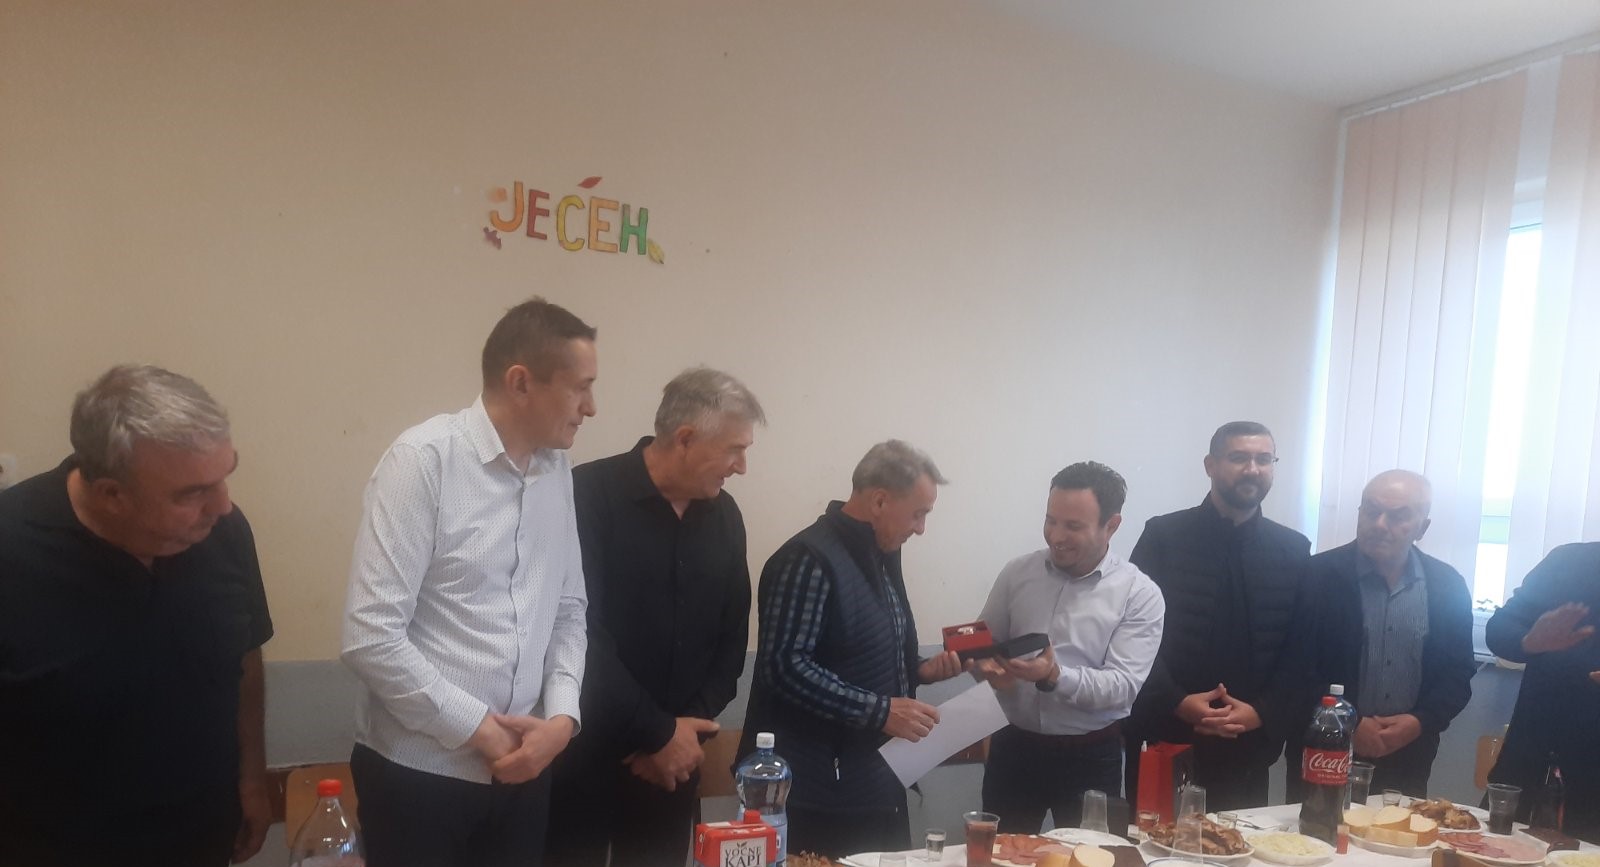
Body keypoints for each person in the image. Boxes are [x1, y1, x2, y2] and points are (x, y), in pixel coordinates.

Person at [342, 297, 596, 867]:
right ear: (520, 383)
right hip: (420, 775)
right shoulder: (423, 461)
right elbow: (369, 636)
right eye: (580, 388)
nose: (591, 407)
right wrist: (479, 729)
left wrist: (561, 719)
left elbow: (568, 610)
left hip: (526, 770)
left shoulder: (556, 472)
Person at [0, 364, 273, 867]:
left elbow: (244, 656)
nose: (223, 505)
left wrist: (252, 779)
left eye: (225, 476)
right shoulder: (12, 552)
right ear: (112, 495)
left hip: (202, 837)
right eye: (192, 492)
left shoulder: (224, 532)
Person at [545, 367, 765, 867]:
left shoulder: (726, 516)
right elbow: (578, 632)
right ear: (685, 439)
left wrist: (681, 737)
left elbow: (731, 641)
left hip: (673, 767)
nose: (742, 467)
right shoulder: (586, 495)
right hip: (581, 756)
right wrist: (656, 733)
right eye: (734, 450)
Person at [740, 440, 965, 858]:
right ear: (879, 501)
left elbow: (857, 654)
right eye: (918, 514)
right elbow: (784, 666)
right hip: (818, 792)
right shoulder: (808, 558)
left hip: (875, 780)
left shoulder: (880, 554)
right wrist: (881, 712)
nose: (921, 529)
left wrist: (920, 670)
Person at [1125, 421, 1313, 811]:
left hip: (1247, 745)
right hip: (1164, 734)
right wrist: (1177, 701)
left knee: (1239, 841)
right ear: (1210, 465)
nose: (1252, 469)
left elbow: (1302, 650)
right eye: (1238, 458)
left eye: (1264, 459)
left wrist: (1261, 712)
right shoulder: (1164, 536)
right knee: (1154, 841)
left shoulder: (1292, 549)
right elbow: (1130, 634)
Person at [974, 461, 1165, 833]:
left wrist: (1054, 676)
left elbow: (1122, 687)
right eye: (1051, 520)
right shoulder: (1017, 573)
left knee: (1089, 855)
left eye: (1073, 526)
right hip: (1014, 748)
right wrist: (983, 666)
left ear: (1112, 525)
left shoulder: (1139, 594)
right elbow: (986, 643)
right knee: (1002, 855)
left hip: (1091, 756)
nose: (1056, 536)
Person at [1296, 469, 1475, 799]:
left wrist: (1420, 722)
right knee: (1316, 828)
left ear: (1422, 527)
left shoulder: (1447, 585)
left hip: (1409, 750)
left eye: (1397, 516)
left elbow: (1458, 672)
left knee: (1399, 830)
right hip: (1326, 746)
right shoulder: (1316, 575)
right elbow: (1295, 665)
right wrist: (1349, 721)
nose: (1379, 524)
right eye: (1371, 511)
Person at [1486, 542, 1600, 841]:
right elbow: (1499, 629)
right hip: (1528, 759)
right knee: (1488, 852)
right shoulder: (1568, 561)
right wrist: (1528, 641)